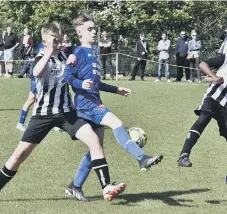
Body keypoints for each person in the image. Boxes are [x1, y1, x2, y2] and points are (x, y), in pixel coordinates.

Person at [0, 22, 126, 201]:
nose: (61, 44)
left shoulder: (65, 57)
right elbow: (36, 73)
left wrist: (72, 60)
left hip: (66, 113)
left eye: (61, 41)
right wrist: (49, 51)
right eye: (56, 41)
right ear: (46, 42)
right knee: (18, 157)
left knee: (94, 141)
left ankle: (106, 187)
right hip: (42, 115)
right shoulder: (40, 58)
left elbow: (76, 72)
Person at [64, 13, 163, 200]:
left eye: (95, 29)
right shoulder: (77, 53)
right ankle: (141, 158)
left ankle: (75, 186)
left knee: (96, 148)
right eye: (90, 29)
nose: (94, 32)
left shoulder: (93, 53)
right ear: (79, 32)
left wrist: (116, 89)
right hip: (86, 105)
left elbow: (96, 83)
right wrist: (78, 84)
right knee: (117, 123)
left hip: (92, 103)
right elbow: (67, 76)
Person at [177, 54, 227, 167]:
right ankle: (184, 155)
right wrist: (214, 77)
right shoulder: (224, 58)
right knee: (203, 118)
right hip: (214, 95)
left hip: (226, 105)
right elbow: (202, 64)